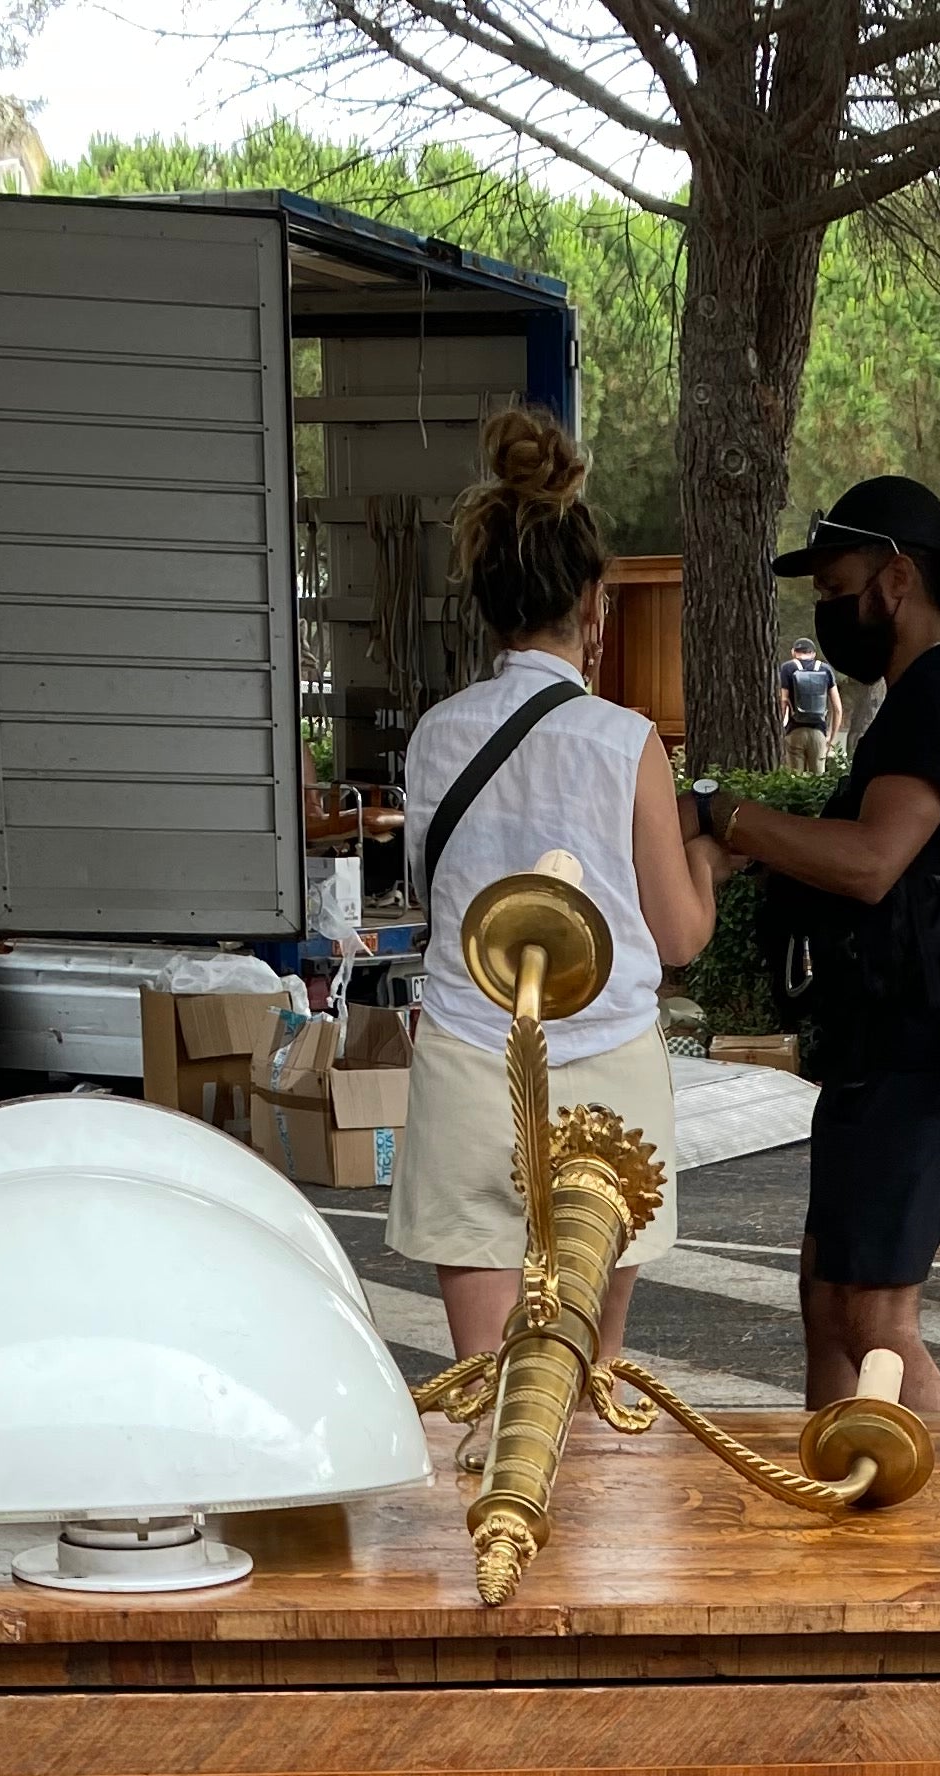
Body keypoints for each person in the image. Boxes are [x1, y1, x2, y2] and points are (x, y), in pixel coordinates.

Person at [691, 471, 940, 1416]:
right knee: (826, 1289)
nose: (827, 608)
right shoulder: (922, 697)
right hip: (891, 1038)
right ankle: (837, 1492)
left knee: (874, 1315)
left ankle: (934, 1524)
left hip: (926, 1042)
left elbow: (875, 861)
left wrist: (730, 815)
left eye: (837, 587)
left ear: (894, 580)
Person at [390, 411, 721, 1366]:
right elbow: (680, 937)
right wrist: (708, 859)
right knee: (585, 1374)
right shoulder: (626, 742)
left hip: (466, 1063)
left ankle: (496, 1521)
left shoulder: (437, 737)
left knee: (486, 1390)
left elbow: (435, 901)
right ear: (593, 602)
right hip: (608, 1072)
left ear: (490, 605)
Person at [778, 637, 837, 774]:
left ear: (793, 652)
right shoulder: (825, 669)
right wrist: (830, 738)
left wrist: (780, 731)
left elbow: (783, 701)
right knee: (817, 781)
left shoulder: (788, 668)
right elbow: (838, 708)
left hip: (794, 731)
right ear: (813, 654)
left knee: (795, 780)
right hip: (819, 732)